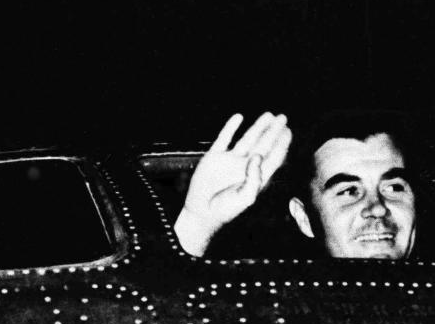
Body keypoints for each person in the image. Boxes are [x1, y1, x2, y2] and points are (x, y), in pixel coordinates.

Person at [174, 109, 417, 261]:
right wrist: (198, 222)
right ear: (304, 218)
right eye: (349, 191)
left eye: (394, 188)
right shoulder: (275, 316)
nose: (377, 208)